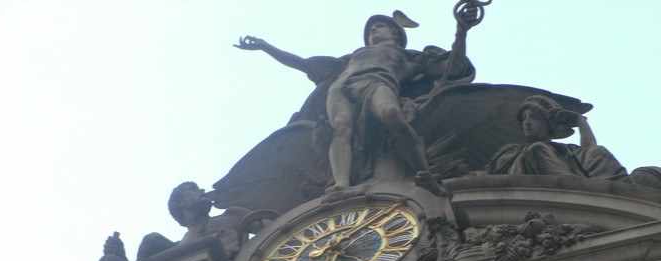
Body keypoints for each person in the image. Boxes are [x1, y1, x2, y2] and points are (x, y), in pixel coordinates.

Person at [235, 9, 480, 193]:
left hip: (379, 83)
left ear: (395, 32)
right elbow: (302, 63)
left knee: (391, 115)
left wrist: (462, 30)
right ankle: (341, 183)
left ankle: (423, 172)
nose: (373, 32)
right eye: (370, 30)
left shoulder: (412, 58)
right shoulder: (351, 57)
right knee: (341, 128)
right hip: (342, 88)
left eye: (378, 27)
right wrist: (266, 47)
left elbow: (452, 66)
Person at [487, 95, 627, 179]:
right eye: (524, 119)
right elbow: (491, 172)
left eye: (534, 117)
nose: (527, 123)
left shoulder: (567, 150)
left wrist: (580, 121)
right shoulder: (513, 151)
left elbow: (590, 151)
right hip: (537, 191)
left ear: (549, 125)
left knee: (598, 150)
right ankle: (572, 186)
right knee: (537, 148)